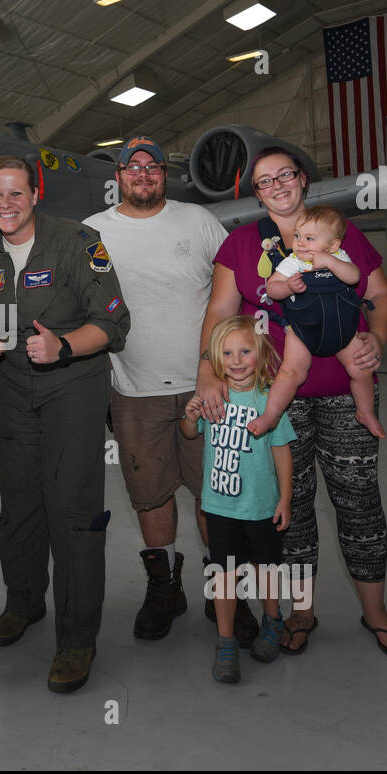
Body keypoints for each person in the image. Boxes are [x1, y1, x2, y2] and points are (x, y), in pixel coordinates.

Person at [194, 147, 387, 659]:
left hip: (345, 388)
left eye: (285, 174)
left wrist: (377, 336)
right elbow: (220, 310)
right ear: (255, 192)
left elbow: (379, 295)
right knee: (289, 512)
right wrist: (207, 369)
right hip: (275, 398)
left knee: (358, 502)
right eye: (264, 180)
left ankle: (375, 612)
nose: (276, 185)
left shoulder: (343, 233)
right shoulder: (241, 244)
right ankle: (301, 610)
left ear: (303, 180)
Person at [0, 155, 130, 693]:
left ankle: (77, 638)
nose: (5, 204)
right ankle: (24, 602)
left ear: (35, 195)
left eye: (16, 193)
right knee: (20, 502)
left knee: (72, 509)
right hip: (9, 390)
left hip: (73, 387)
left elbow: (114, 322)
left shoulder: (78, 242)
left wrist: (65, 345)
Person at [84, 135, 260, 648]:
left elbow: (238, 294)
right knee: (150, 495)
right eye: (131, 166)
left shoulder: (198, 222)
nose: (142, 173)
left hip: (207, 386)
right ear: (117, 176)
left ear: (164, 173)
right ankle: (164, 588)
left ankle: (224, 593)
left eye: (152, 165)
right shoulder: (93, 232)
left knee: (215, 498)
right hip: (132, 391)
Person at [179, 316, 295, 683]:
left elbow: (281, 451)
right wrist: (189, 413)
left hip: (260, 506)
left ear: (260, 354)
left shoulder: (268, 398)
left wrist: (285, 499)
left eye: (245, 351)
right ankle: (225, 640)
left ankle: (272, 619)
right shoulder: (213, 397)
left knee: (266, 569)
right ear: (216, 358)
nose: (237, 359)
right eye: (227, 353)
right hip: (219, 506)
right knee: (224, 576)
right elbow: (188, 431)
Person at [250, 205, 384, 439]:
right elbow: (272, 288)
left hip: (341, 331)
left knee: (360, 368)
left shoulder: (339, 258)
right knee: (291, 372)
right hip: (302, 331)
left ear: (333, 245)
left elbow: (354, 277)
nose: (300, 243)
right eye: (298, 236)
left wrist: (329, 262)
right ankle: (270, 415)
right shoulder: (294, 261)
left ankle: (365, 412)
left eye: (309, 238)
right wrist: (288, 286)